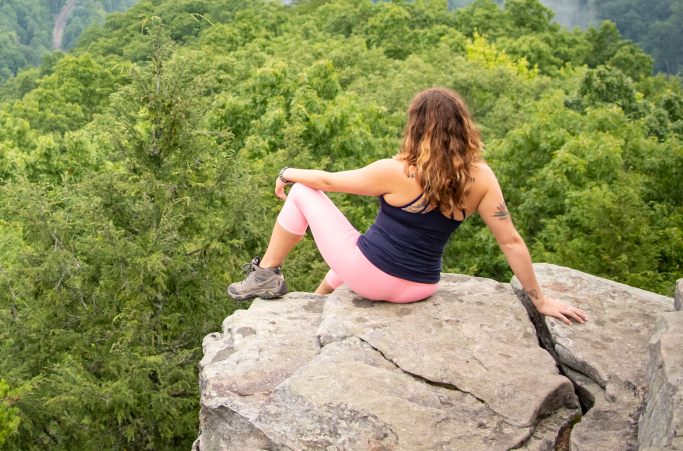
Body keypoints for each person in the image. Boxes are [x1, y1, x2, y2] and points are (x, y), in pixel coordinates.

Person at [227, 86, 588, 326]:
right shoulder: (483, 177)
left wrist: (287, 171)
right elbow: (511, 241)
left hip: (373, 277)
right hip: (420, 285)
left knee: (304, 192)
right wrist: (540, 302)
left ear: (416, 127)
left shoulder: (397, 170)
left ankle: (266, 275)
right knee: (359, 246)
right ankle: (319, 305)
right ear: (462, 127)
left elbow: (326, 181)